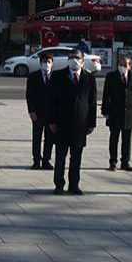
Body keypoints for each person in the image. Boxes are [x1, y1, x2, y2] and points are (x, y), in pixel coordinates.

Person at [48, 50, 96, 195]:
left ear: (82, 61)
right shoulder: (57, 76)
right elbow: (51, 101)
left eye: (77, 58)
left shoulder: (89, 78)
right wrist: (51, 121)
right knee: (60, 157)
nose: (74, 60)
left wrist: (91, 123)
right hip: (61, 123)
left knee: (76, 158)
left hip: (80, 125)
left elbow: (92, 102)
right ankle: (59, 185)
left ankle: (74, 185)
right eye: (71, 58)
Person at [101, 55, 132, 172]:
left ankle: (125, 162)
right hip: (114, 112)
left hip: (128, 113)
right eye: (121, 64)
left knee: (127, 139)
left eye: (125, 65)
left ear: (130, 66)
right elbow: (106, 95)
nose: (122, 67)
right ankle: (112, 162)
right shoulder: (111, 76)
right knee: (114, 138)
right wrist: (105, 111)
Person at [26, 53, 55, 171]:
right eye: (44, 62)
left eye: (48, 62)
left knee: (50, 138)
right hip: (37, 113)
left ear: (52, 64)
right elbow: (29, 95)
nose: (46, 64)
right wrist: (31, 111)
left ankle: (46, 160)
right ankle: (36, 160)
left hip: (51, 114)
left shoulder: (56, 76)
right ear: (40, 63)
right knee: (36, 138)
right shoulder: (33, 76)